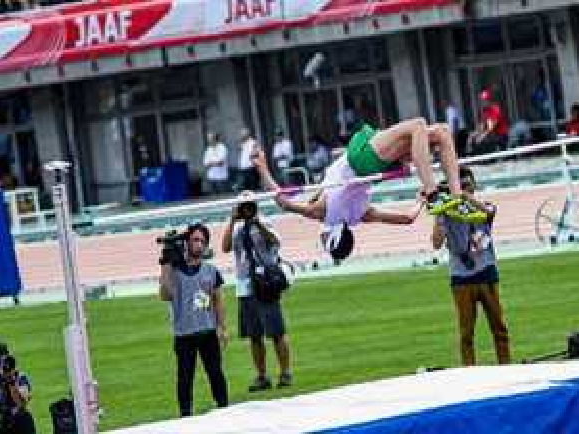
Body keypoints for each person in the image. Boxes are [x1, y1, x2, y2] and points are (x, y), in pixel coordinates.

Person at [252, 119, 486, 262]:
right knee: (418, 125)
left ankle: (456, 199)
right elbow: (284, 203)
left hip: (372, 161)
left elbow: (407, 219)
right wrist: (263, 168)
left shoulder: (360, 215)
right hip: (362, 157)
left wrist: (420, 201)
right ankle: (436, 194)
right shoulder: (323, 212)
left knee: (442, 132)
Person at [431, 166, 510, 366]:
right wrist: (440, 216)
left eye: (468, 184)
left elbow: (488, 212)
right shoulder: (446, 211)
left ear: (474, 184)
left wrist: (464, 196)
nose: (466, 188)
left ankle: (506, 367)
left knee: (499, 328)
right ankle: (470, 373)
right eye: (461, 184)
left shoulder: (483, 205)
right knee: (466, 333)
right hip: (461, 278)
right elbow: (436, 243)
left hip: (486, 272)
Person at [221, 192, 293, 392]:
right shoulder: (237, 229)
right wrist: (232, 220)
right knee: (254, 335)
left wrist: (258, 224)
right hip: (245, 285)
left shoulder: (265, 223)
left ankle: (285, 372)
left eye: (249, 205)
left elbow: (275, 242)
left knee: (277, 332)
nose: (247, 210)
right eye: (243, 206)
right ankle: (261, 376)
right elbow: (225, 248)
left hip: (265, 284)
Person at [159, 223, 229, 416]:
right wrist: (165, 263)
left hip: (207, 331)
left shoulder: (211, 270)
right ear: (186, 243)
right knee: (184, 377)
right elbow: (165, 295)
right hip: (184, 334)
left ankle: (224, 407)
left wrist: (222, 327)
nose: (198, 244)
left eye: (202, 241)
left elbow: (218, 300)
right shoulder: (174, 271)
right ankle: (185, 414)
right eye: (195, 240)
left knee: (215, 372)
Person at [0, 344, 36, 434]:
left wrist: (10, 381)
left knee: (23, 417)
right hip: (2, 422)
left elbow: (22, 403)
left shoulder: (20, 377)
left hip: (19, 421)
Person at [466, 90, 509, 155]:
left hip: (501, 135)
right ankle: (475, 157)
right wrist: (473, 135)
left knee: (482, 141)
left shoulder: (495, 109)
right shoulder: (484, 111)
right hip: (493, 135)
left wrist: (481, 136)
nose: (482, 102)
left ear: (489, 101)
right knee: (474, 138)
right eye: (481, 100)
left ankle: (487, 160)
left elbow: (491, 127)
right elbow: (482, 126)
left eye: (484, 100)